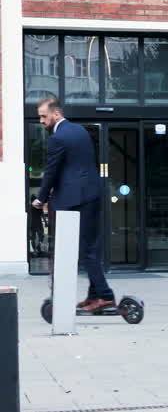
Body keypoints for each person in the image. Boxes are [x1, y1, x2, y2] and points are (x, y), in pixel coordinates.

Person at [30, 97, 115, 313]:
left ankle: (105, 296)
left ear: (56, 114)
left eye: (43, 116)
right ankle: (94, 296)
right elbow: (76, 167)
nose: (41, 120)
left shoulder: (58, 137)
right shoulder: (79, 131)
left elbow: (52, 171)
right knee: (91, 247)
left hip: (74, 199)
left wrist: (40, 199)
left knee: (85, 250)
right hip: (92, 195)